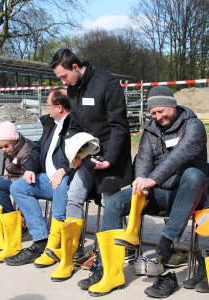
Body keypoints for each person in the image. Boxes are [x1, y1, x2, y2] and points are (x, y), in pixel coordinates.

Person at [78, 85, 208, 295]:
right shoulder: (151, 130)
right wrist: (141, 180)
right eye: (153, 113)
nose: (157, 116)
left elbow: (179, 157)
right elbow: (144, 158)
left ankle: (167, 240)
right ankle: (107, 270)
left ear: (172, 106)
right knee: (114, 202)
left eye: (161, 111)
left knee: (194, 174)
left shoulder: (193, 126)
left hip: (189, 193)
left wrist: (152, 179)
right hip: (159, 192)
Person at [45, 49, 133, 274]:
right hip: (86, 156)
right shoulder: (73, 89)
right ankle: (70, 251)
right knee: (73, 196)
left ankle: (115, 251)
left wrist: (110, 159)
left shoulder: (107, 83)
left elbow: (119, 127)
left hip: (110, 157)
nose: (62, 82)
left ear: (75, 67)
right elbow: (74, 124)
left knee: (110, 203)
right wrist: (73, 152)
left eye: (63, 76)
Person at [6, 87, 71, 267]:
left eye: (48, 105)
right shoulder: (50, 124)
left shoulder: (75, 124)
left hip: (68, 180)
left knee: (61, 182)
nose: (46, 108)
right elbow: (37, 149)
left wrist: (65, 169)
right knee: (17, 187)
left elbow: (81, 153)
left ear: (59, 107)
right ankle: (41, 239)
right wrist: (30, 169)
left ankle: (54, 244)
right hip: (47, 179)